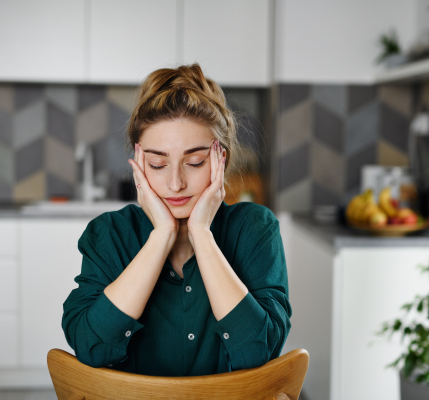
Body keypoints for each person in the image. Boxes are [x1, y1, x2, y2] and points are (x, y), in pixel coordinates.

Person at [61, 63, 292, 377]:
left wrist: (201, 234)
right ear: (139, 165)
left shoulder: (255, 228)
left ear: (220, 160)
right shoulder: (110, 233)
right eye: (157, 164)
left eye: (194, 162)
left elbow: (258, 352)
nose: (175, 183)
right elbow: (90, 346)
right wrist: (161, 237)